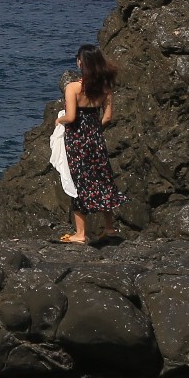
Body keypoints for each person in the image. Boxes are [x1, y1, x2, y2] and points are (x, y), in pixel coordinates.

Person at [57, 44, 122, 245]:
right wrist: (94, 129)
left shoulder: (73, 87)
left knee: (79, 183)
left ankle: (80, 233)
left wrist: (58, 121)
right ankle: (109, 228)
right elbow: (108, 117)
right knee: (103, 179)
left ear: (80, 62)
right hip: (96, 138)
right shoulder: (105, 88)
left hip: (76, 140)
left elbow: (71, 116)